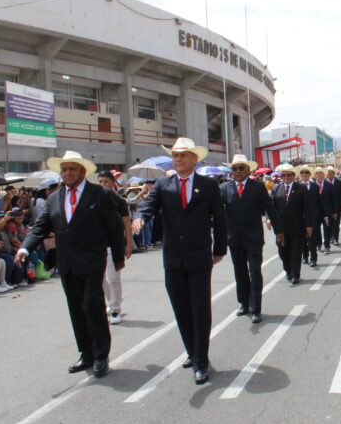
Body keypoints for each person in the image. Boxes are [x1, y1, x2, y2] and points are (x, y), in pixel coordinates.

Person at [16, 151, 125, 378]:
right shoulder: (54, 198)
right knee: (76, 309)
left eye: (72, 169)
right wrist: (25, 247)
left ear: (82, 172)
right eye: (64, 170)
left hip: (93, 261)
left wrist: (118, 257)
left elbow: (114, 228)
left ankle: (101, 355)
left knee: (92, 306)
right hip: (67, 263)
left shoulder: (99, 194)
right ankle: (86, 353)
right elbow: (40, 227)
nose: (67, 174)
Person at [132, 137, 227, 385]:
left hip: (199, 257)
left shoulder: (208, 185)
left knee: (200, 308)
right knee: (181, 308)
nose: (179, 159)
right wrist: (139, 218)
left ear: (194, 159)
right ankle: (192, 351)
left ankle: (201, 361)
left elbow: (219, 218)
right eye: (175, 155)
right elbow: (147, 207)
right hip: (173, 258)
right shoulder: (163, 184)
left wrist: (220, 248)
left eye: (183, 155)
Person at [220, 154, 282, 323]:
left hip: (253, 238)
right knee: (240, 272)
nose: (238, 171)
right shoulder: (224, 188)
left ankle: (256, 308)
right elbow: (217, 214)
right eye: (235, 168)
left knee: (254, 272)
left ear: (248, 170)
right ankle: (244, 304)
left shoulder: (258, 187)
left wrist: (279, 230)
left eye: (241, 168)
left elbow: (270, 208)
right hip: (234, 239)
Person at [97, 171, 134, 323]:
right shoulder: (93, 199)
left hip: (115, 245)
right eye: (100, 181)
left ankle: (115, 310)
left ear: (113, 183)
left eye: (106, 181)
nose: (103, 184)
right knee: (99, 279)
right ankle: (112, 301)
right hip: (97, 245)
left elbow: (126, 223)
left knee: (113, 278)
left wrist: (129, 243)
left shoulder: (119, 201)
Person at [271, 163, 315, 285]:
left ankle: (296, 274)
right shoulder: (275, 188)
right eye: (283, 175)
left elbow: (308, 208)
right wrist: (269, 220)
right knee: (283, 252)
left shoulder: (301, 188)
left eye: (288, 175)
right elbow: (272, 208)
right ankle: (288, 270)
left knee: (296, 252)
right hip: (281, 229)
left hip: (297, 227)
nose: (286, 177)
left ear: (293, 175)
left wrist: (309, 225)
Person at [299, 165, 325, 267]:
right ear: (300, 175)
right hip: (300, 218)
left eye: (306, 173)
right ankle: (305, 256)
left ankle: (313, 258)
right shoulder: (297, 186)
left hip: (313, 217)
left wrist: (324, 215)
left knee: (312, 239)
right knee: (302, 240)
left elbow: (320, 202)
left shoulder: (315, 186)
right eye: (302, 173)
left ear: (310, 174)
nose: (304, 174)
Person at [313, 167, 339, 256]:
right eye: (317, 173)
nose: (319, 175)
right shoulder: (312, 186)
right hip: (315, 213)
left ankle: (327, 246)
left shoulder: (330, 186)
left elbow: (334, 199)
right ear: (314, 175)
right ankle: (318, 244)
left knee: (327, 229)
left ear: (324, 175)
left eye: (321, 173)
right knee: (316, 230)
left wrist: (335, 212)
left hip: (328, 212)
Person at [325, 166, 341, 246]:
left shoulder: (339, 182)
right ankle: (330, 237)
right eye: (328, 173)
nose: (329, 175)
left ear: (333, 174)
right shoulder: (323, 183)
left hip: (337, 207)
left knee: (336, 224)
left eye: (331, 173)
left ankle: (335, 238)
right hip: (327, 208)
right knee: (328, 224)